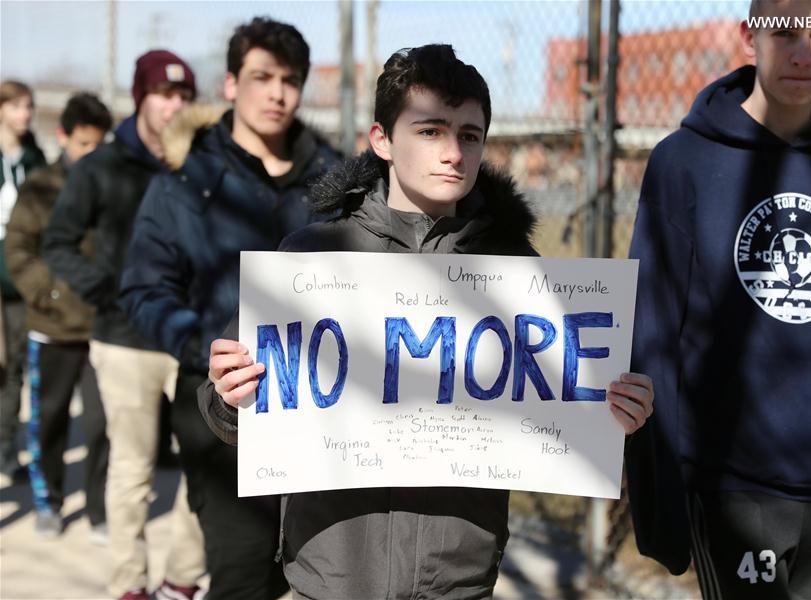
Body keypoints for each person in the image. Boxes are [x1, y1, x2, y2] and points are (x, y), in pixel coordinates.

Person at [199, 44, 655, 598]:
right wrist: (230, 395)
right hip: (332, 571)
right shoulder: (308, 261)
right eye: (431, 131)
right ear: (382, 140)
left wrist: (615, 414)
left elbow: (566, 404)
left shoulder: (516, 272)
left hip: (457, 577)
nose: (454, 153)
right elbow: (228, 413)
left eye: (469, 135)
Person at [625, 1, 811, 598]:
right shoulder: (683, 163)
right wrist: (659, 496)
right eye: (785, 32)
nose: (804, 51)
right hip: (732, 487)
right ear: (751, 34)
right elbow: (651, 336)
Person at [118, 17, 339, 600]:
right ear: (232, 85)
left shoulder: (336, 181)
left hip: (320, 404)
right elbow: (143, 289)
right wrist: (204, 350)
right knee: (243, 567)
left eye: (290, 80)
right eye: (262, 76)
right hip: (219, 409)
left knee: (296, 567)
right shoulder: (186, 181)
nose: (277, 93)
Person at [43, 51, 205, 600]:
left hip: (194, 339)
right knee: (130, 471)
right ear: (141, 97)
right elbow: (57, 241)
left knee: (206, 469)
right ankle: (128, 586)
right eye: (164, 93)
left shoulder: (203, 163)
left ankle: (181, 580)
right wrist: (108, 291)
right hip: (125, 339)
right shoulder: (101, 166)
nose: (174, 105)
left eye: (184, 96)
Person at [5, 92, 111, 539]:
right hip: (51, 329)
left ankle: (99, 510)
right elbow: (17, 247)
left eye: (98, 145)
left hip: (104, 329)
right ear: (64, 136)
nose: (91, 154)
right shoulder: (41, 186)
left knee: (102, 425)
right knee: (48, 420)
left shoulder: (114, 186)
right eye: (83, 144)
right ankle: (49, 501)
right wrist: (44, 293)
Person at [0, 80, 46, 481]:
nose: (25, 114)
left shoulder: (35, 160)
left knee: (14, 367)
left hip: (17, 286)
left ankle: (5, 448)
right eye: (16, 106)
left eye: (29, 106)